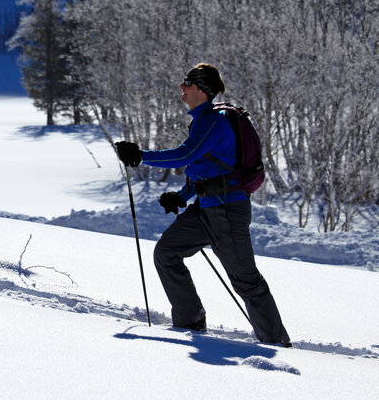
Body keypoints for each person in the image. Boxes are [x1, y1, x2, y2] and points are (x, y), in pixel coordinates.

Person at [115, 63, 290, 346]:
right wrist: (182, 197)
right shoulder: (203, 120)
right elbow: (204, 166)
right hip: (206, 207)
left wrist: (140, 155)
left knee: (245, 279)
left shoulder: (213, 121)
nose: (181, 88)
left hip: (228, 211)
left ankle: (277, 343)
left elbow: (186, 155)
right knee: (167, 253)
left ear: (200, 89)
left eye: (186, 83)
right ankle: (190, 322)